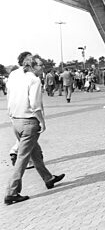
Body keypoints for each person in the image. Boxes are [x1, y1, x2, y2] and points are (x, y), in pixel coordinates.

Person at [4, 52, 65, 205]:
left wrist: (12, 116)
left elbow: (9, 96)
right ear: (32, 66)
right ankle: (12, 192)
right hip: (29, 121)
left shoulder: (14, 75)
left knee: (35, 152)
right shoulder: (34, 80)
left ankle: (48, 178)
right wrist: (42, 122)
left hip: (16, 120)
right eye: (40, 65)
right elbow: (35, 105)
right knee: (23, 158)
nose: (42, 67)